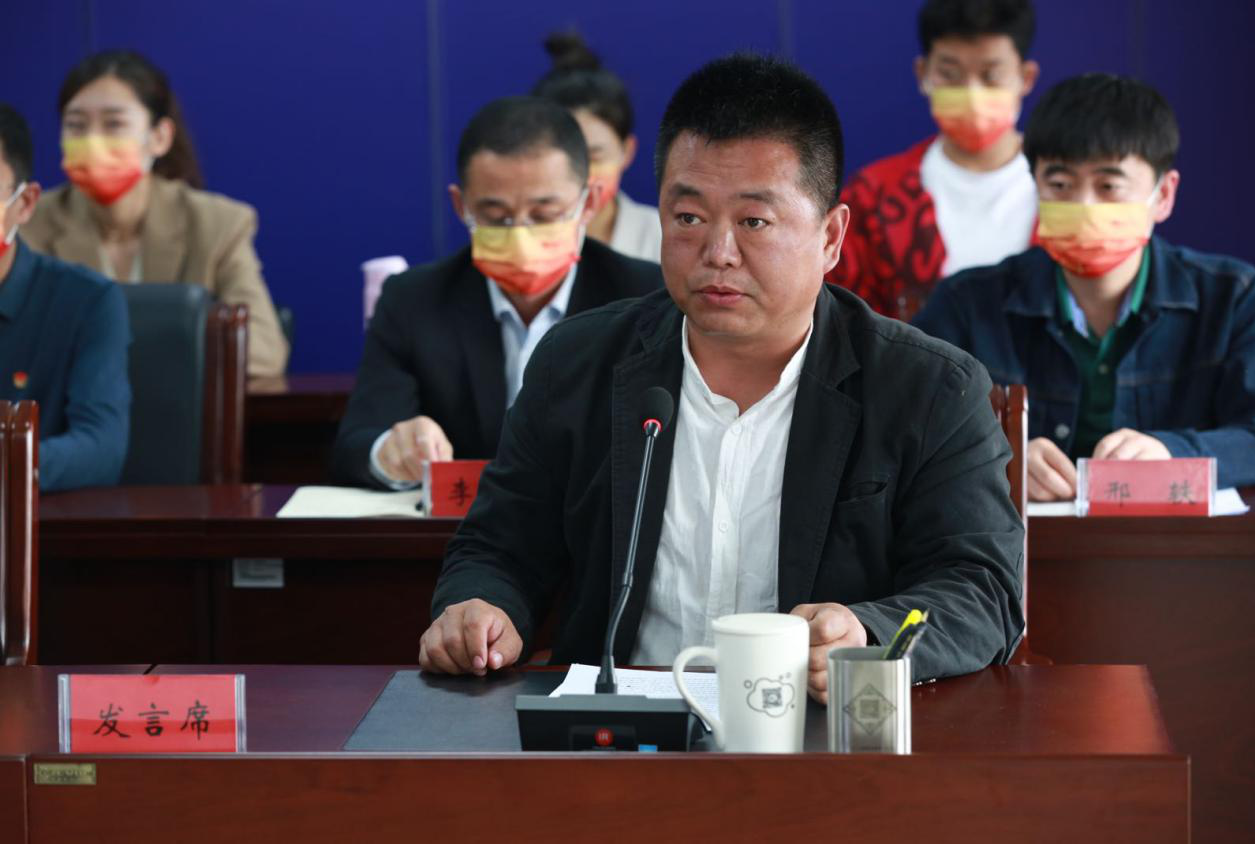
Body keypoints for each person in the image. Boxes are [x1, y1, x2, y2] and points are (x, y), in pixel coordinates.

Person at [419, 55, 1025, 700]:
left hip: (814, 725)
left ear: (830, 237)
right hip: (619, 726)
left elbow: (982, 591)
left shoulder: (929, 388)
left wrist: (867, 634)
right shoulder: (577, 362)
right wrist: (481, 608)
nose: (717, 253)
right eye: (688, 218)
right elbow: (499, 547)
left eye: (753, 221)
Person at [913, 74, 1255, 500]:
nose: (1083, 206)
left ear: (1163, 195)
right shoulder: (967, 303)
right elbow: (905, 425)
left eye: (1109, 187)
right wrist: (998, 456)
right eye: (1060, 185)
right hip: (1022, 541)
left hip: (1176, 539)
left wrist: (1173, 453)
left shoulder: (1231, 297)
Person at [331, 96, 662, 489]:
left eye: (543, 214)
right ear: (461, 206)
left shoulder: (645, 297)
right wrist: (392, 450)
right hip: (463, 524)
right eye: (497, 217)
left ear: (587, 203)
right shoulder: (413, 300)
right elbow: (357, 443)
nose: (520, 234)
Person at [22, 50, 289, 377]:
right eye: (76, 126)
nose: (92, 141)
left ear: (159, 137)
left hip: (178, 408)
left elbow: (263, 351)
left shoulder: (217, 224)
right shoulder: (28, 223)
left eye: (114, 124)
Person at [825, 0, 1040, 320]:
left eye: (991, 76)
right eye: (950, 75)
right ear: (923, 73)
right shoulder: (872, 197)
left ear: (1026, 77)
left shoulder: (1072, 191)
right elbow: (839, 319)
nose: (971, 93)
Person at [0, 104, 130, 492]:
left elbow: (101, 448)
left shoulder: (87, 301)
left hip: (27, 519)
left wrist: (9, 462)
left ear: (24, 203)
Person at [533, 31, 661, 263]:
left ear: (626, 152)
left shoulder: (661, 236)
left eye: (595, 157)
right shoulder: (520, 239)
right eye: (565, 157)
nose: (581, 173)